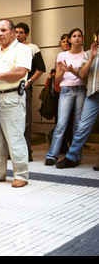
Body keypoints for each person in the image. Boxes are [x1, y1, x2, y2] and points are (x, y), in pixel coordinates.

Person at [0, 19, 32, 188]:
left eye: (3, 30)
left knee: (15, 138)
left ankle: (21, 175)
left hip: (12, 97)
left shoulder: (22, 49)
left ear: (12, 32)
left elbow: (20, 72)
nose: (0, 34)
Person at [56, 29, 98, 169]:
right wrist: (92, 57)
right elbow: (82, 74)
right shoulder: (88, 53)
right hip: (93, 93)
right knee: (82, 126)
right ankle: (72, 157)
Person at [45, 28, 86, 166]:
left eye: (79, 36)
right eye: (74, 36)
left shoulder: (85, 55)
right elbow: (57, 79)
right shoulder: (62, 55)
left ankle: (75, 155)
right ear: (69, 39)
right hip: (66, 90)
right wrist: (62, 70)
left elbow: (85, 79)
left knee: (77, 125)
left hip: (81, 89)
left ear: (82, 39)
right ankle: (52, 155)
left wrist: (72, 70)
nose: (77, 38)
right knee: (61, 124)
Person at [15, 23, 46, 161]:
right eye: (16, 32)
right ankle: (15, 152)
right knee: (13, 121)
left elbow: (41, 68)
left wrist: (30, 81)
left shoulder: (33, 48)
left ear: (27, 34)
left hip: (25, 88)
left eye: (21, 32)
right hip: (11, 88)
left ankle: (27, 152)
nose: (18, 35)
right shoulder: (12, 48)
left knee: (26, 121)